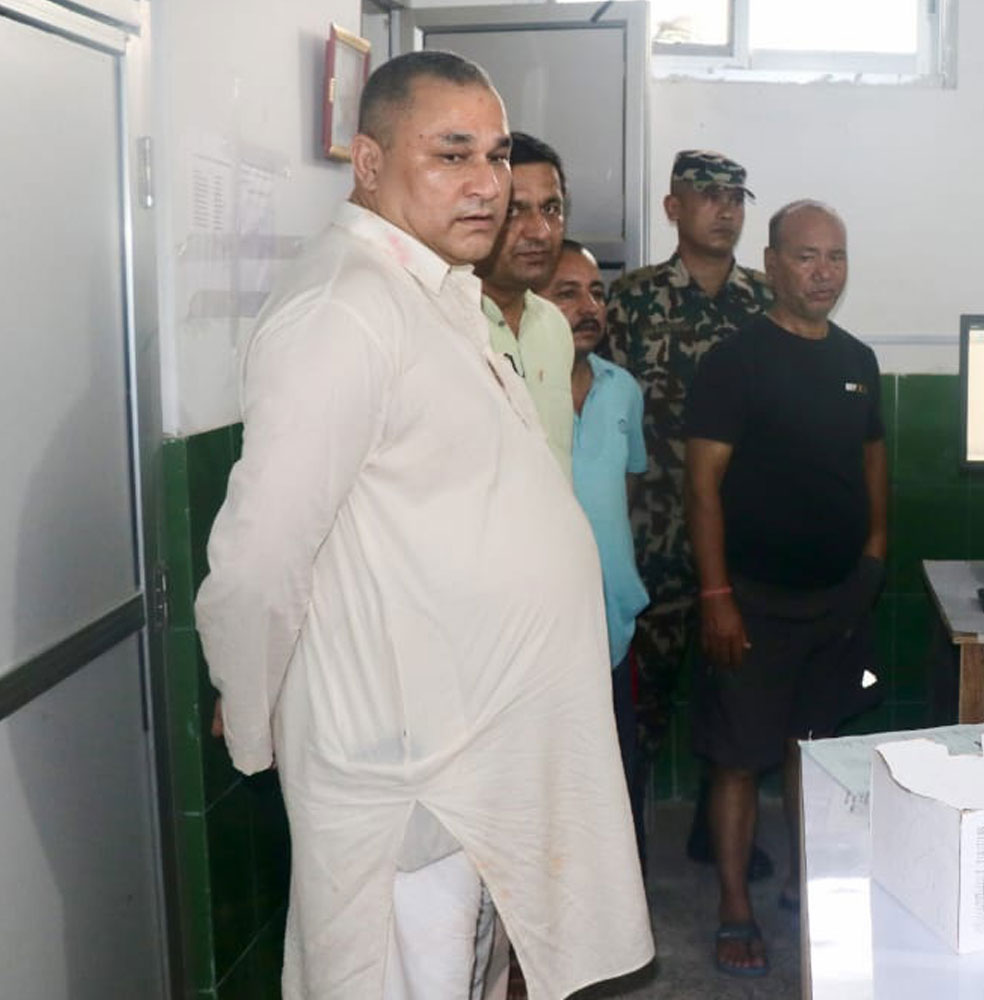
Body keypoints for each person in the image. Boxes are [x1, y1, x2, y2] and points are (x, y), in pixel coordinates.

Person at [194, 51, 652, 998]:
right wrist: (252, 703)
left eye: (496, 154)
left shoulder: (429, 290)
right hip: (405, 772)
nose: (487, 184)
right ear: (368, 162)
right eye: (451, 154)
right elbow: (260, 553)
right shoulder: (342, 309)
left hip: (471, 762)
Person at [683, 200, 887, 977]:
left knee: (816, 750)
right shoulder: (734, 362)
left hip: (836, 601)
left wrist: (872, 560)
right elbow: (702, 486)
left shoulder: (858, 360)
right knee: (738, 759)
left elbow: (873, 467)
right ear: (771, 265)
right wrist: (716, 597)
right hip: (751, 602)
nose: (824, 273)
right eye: (806, 256)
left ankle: (809, 884)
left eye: (836, 257)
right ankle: (736, 908)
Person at [604, 149, 777, 877]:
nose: (725, 209)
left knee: (735, 698)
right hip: (649, 537)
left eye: (735, 197)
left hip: (740, 539)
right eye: (707, 196)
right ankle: (623, 859)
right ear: (673, 207)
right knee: (638, 707)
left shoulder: (766, 300)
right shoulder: (630, 300)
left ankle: (718, 832)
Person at [542, 238, 653, 861]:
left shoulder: (622, 389)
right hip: (540, 635)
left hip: (611, 628)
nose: (589, 308)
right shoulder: (511, 389)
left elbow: (625, 491)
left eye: (596, 293)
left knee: (617, 785)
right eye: (567, 293)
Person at [477, 131, 576, 476]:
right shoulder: (443, 322)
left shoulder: (554, 325)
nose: (539, 231)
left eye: (551, 209)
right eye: (514, 210)